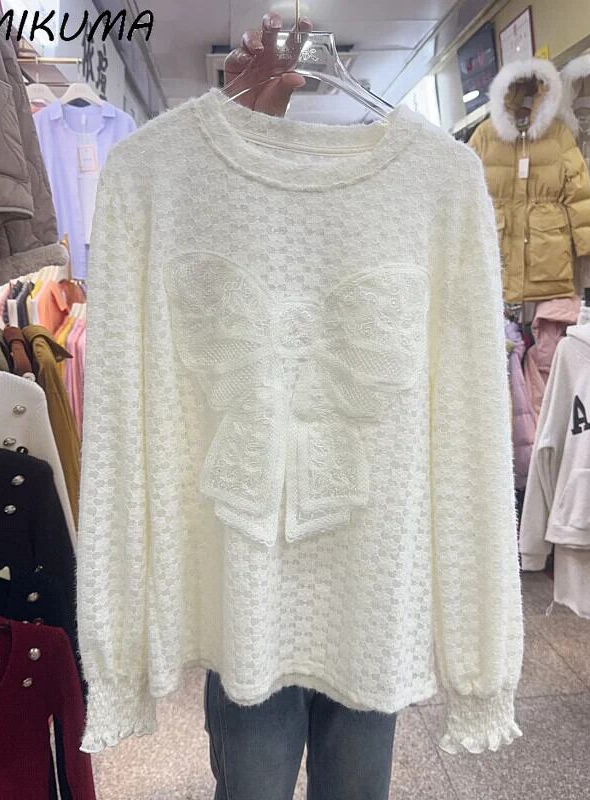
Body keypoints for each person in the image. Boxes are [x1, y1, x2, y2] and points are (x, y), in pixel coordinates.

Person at [202, 14, 399, 800]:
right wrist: (237, 129)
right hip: (253, 558)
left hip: (367, 553)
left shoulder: (414, 189)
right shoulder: (206, 189)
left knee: (356, 780)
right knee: (253, 774)